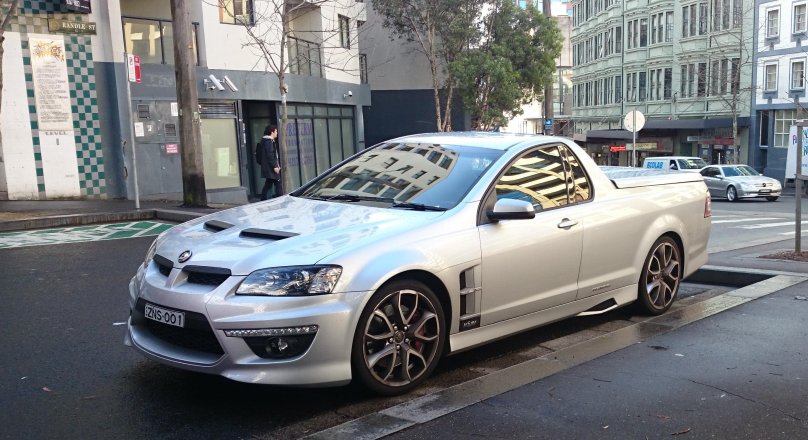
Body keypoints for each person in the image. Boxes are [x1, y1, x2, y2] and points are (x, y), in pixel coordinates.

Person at [258, 124, 282, 200]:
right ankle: (281, 199)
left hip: (268, 168)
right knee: (278, 183)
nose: (277, 133)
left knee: (268, 184)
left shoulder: (266, 141)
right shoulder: (268, 142)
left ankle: (263, 199)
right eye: (276, 131)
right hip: (270, 168)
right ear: (272, 132)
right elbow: (270, 155)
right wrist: (275, 166)